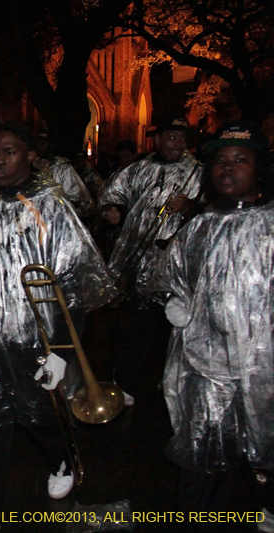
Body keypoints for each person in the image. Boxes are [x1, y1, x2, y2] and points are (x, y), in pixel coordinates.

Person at [0, 122, 113, 533]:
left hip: (37, 338)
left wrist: (63, 351)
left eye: (10, 151)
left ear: (31, 155)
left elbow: (73, 286)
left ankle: (61, 457)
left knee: (39, 417)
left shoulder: (53, 208)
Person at [149, 121, 274, 532]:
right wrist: (175, 302)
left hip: (266, 369)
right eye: (220, 160)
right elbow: (172, 277)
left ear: (259, 168)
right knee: (204, 453)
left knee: (265, 447)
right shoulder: (200, 227)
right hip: (207, 368)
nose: (228, 168)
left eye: (240, 160)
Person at [99, 116, 203, 406]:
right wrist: (113, 210)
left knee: (178, 323)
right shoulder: (138, 170)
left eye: (182, 139)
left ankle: (178, 381)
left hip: (178, 264)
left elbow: (213, 208)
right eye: (172, 137)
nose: (177, 144)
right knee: (140, 323)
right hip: (139, 259)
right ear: (158, 140)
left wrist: (189, 206)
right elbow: (110, 195)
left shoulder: (197, 172)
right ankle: (126, 383)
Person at [34, 132, 95, 218]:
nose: (39, 147)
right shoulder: (33, 168)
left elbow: (78, 199)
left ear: (51, 146)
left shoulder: (62, 168)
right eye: (37, 144)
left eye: (43, 144)